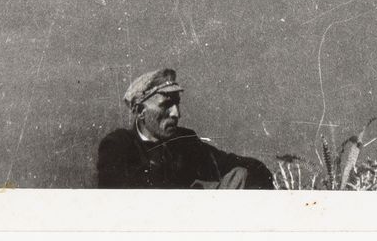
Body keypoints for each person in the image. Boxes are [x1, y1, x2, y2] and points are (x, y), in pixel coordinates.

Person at [95, 68, 272, 189]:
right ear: (140, 111)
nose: (176, 113)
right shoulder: (118, 146)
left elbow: (232, 164)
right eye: (166, 105)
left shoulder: (185, 142)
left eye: (177, 104)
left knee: (241, 174)